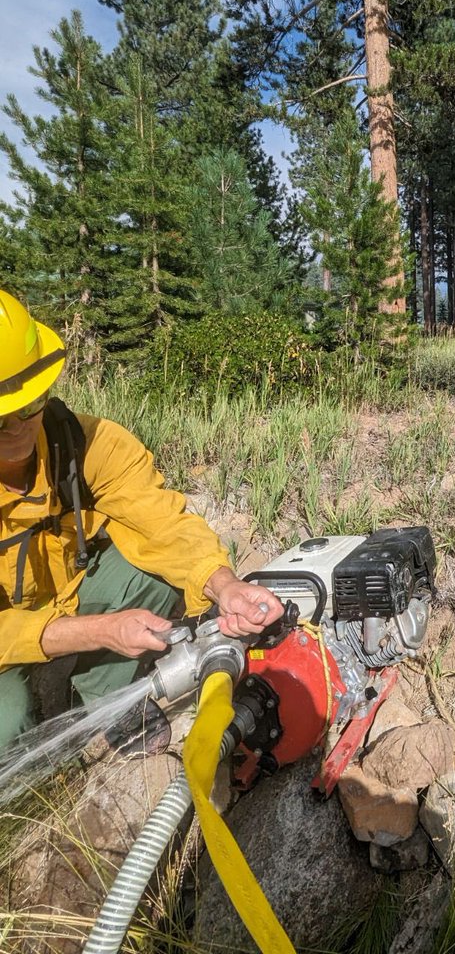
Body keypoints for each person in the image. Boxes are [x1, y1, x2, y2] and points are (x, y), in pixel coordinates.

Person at [0, 289, 284, 749]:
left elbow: (165, 524)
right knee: (8, 721)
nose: (19, 428)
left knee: (157, 567)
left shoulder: (86, 444)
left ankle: (106, 697)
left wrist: (224, 585)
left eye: (30, 405)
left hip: (66, 596)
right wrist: (98, 630)